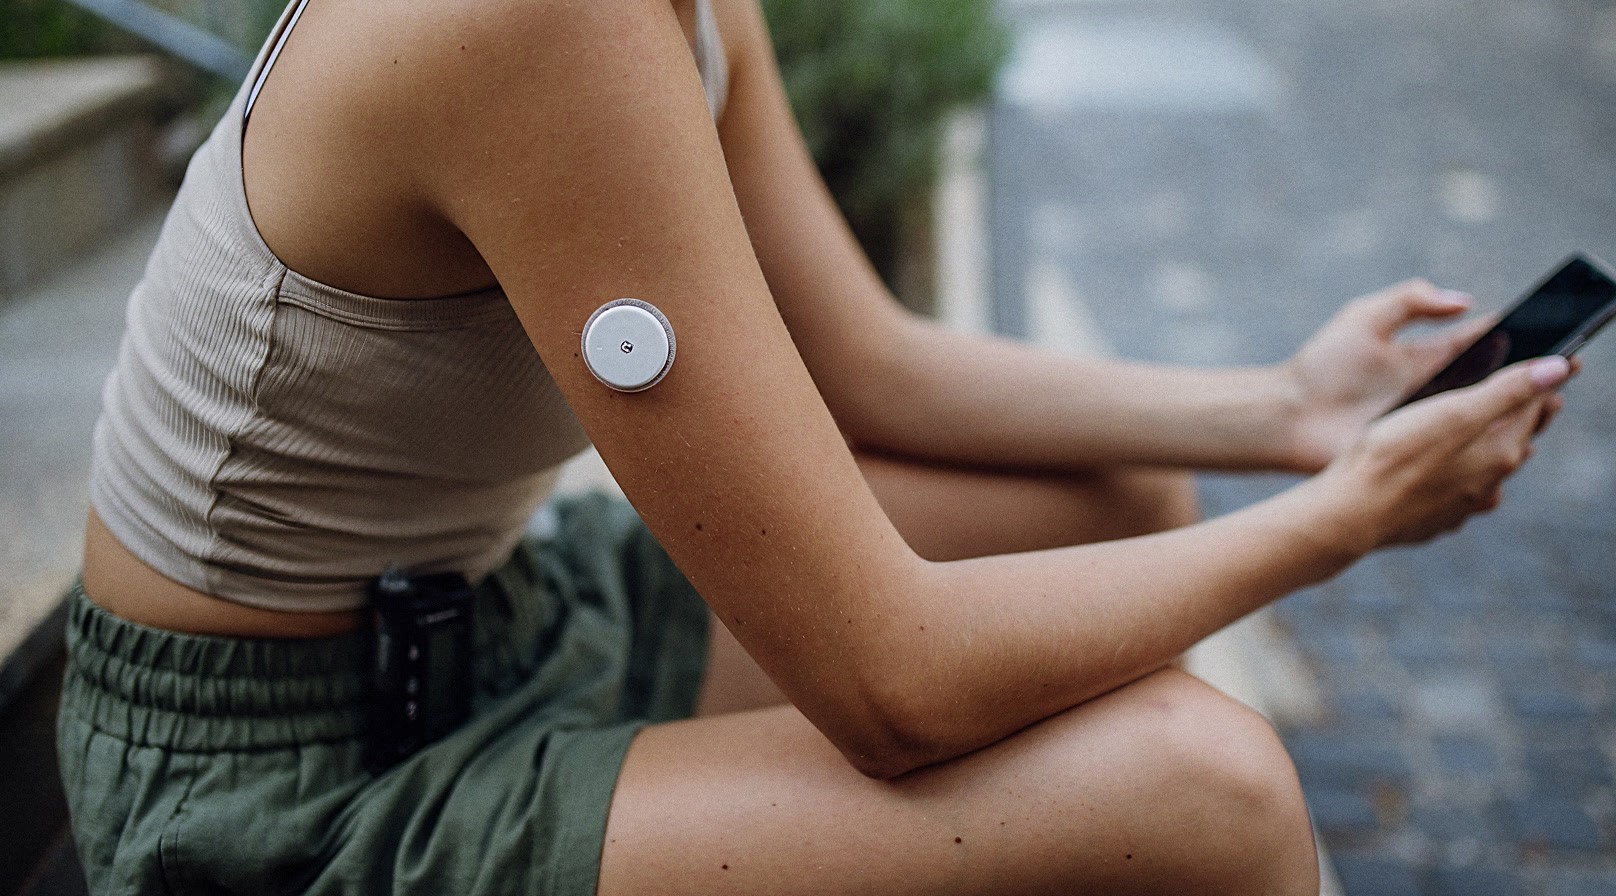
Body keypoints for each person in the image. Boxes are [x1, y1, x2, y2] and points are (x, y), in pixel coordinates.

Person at [60, 0, 1573, 892]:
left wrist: (1283, 414)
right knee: (1206, 790)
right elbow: (890, 683)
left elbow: (865, 362)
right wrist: (1347, 519)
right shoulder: (533, 24)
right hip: (281, 785)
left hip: (496, 622)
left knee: (1100, 502)